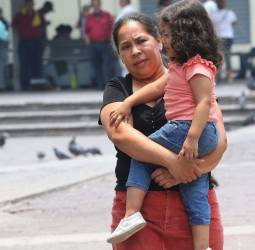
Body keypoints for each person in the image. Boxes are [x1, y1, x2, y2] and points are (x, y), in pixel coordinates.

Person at [100, 10, 225, 250]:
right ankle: (132, 214)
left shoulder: (190, 75)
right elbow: (121, 135)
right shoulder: (118, 88)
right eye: (125, 47)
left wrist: (189, 170)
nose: (135, 51)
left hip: (192, 209)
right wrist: (173, 162)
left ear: (160, 40)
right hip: (139, 213)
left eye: (141, 41)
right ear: (120, 55)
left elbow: (219, 140)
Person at [12, 0, 44, 91]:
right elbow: (14, 26)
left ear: (33, 5)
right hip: (24, 41)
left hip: (36, 41)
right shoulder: (20, 15)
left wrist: (39, 34)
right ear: (25, 5)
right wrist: (20, 33)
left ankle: (37, 85)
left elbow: (42, 26)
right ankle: (25, 86)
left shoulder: (37, 14)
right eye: (28, 4)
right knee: (24, 64)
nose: (30, 6)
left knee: (37, 63)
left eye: (31, 4)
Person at [84, 0, 114, 89]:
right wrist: (87, 41)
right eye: (94, 5)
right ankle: (100, 85)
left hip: (105, 44)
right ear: (92, 6)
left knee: (107, 65)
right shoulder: (89, 17)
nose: (96, 6)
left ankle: (108, 86)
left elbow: (112, 28)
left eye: (97, 4)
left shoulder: (107, 15)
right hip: (93, 44)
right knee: (96, 65)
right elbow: (86, 32)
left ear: (100, 5)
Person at [211, 0, 237, 82]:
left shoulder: (213, 15)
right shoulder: (230, 13)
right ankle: (229, 76)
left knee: (218, 56)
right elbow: (234, 23)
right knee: (228, 55)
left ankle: (218, 76)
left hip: (219, 38)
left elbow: (211, 26)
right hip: (228, 36)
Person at [0, 8, 8, 91]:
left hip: (1, 47)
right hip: (2, 47)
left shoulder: (2, 22)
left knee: (1, 68)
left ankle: (1, 86)